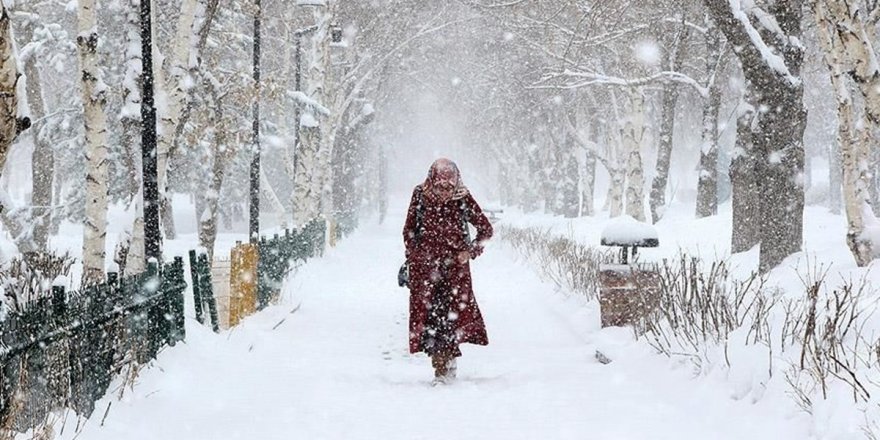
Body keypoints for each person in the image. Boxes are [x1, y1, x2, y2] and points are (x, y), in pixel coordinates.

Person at [402, 158, 493, 385]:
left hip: (455, 273)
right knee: (431, 320)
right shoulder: (420, 195)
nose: (444, 192)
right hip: (425, 272)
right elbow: (409, 230)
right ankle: (441, 366)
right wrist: (416, 255)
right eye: (440, 186)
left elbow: (486, 230)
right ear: (432, 181)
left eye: (449, 187)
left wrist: (469, 252)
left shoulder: (462, 198)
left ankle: (445, 368)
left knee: (449, 319)